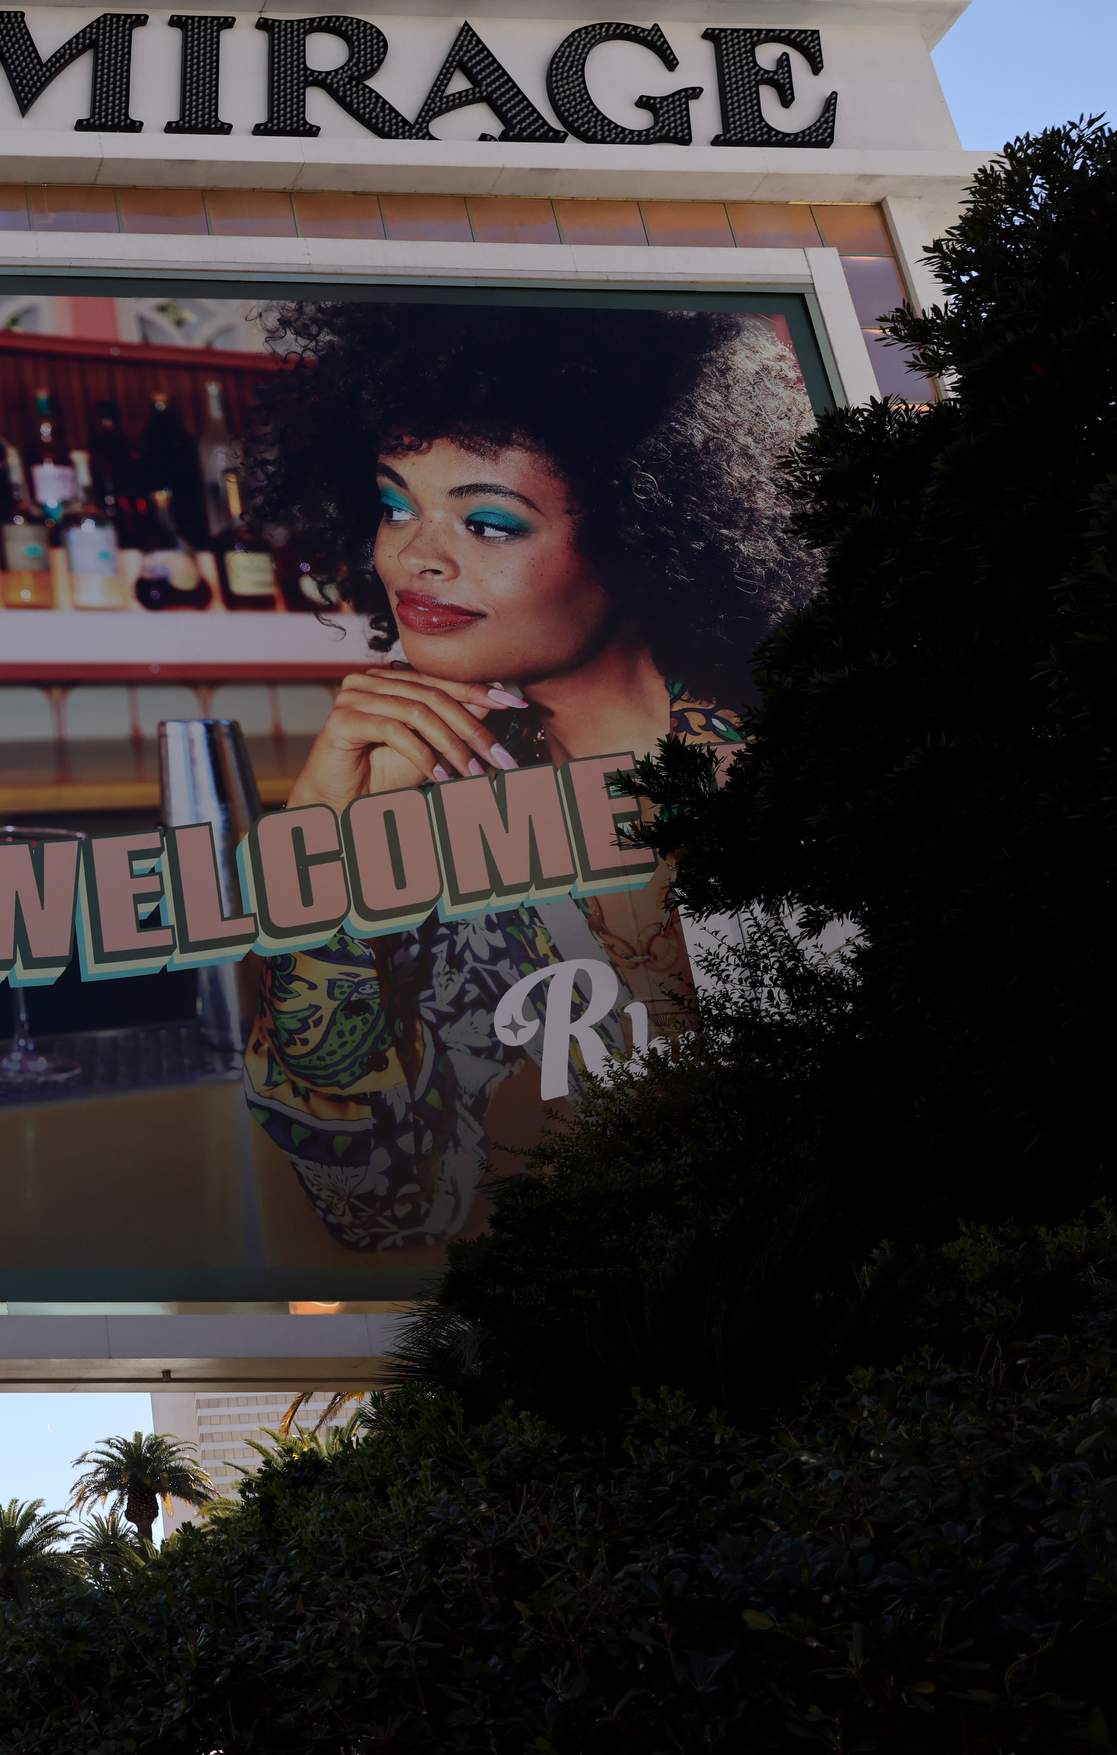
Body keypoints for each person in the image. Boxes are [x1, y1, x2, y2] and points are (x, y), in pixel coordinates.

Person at [239, 300, 821, 1249]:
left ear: (646, 530)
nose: (415, 558)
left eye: (492, 524)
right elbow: (372, 1209)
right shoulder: (424, 796)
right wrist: (327, 841)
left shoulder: (791, 768)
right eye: (395, 505)